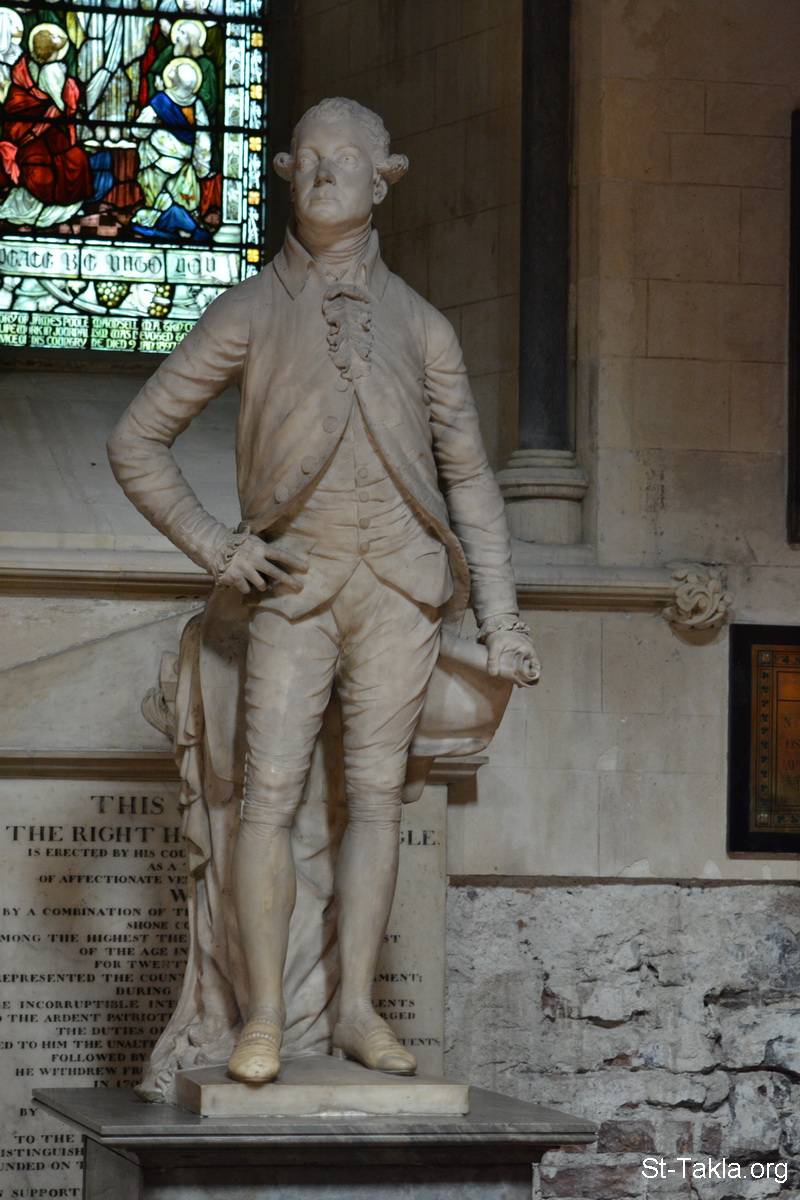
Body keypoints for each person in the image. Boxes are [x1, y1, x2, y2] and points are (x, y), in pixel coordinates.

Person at [107, 97, 540, 1085]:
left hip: (399, 586)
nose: (324, 171)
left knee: (377, 801)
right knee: (266, 799)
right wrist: (216, 546)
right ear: (284, 175)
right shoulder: (250, 310)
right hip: (293, 590)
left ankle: (353, 1010)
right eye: (306, 157)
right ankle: (264, 1018)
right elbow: (136, 439)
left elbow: (470, 478)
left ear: (384, 176)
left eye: (345, 157)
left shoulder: (424, 326)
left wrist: (503, 618)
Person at [0, 24, 92, 227]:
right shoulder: (44, 72)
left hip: (39, 129)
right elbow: (61, 106)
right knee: (56, 163)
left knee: (72, 158)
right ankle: (46, 207)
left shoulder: (32, 66)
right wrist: (69, 93)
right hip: (32, 133)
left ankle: (60, 206)